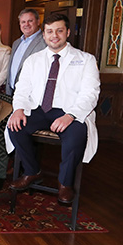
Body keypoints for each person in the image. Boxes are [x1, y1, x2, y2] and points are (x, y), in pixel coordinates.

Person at [6, 13, 100, 204]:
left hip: (70, 111)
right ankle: (32, 171)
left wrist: (71, 115)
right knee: (14, 127)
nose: (54, 35)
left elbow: (90, 93)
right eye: (49, 31)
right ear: (44, 34)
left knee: (77, 135)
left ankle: (65, 183)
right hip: (40, 109)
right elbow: (22, 88)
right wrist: (18, 109)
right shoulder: (33, 60)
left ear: (67, 32)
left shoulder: (86, 59)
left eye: (59, 30)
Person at [6, 8, 47, 96]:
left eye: (30, 21)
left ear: (38, 21)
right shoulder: (16, 43)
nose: (26, 24)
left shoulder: (45, 42)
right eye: (23, 22)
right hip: (14, 93)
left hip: (32, 95)